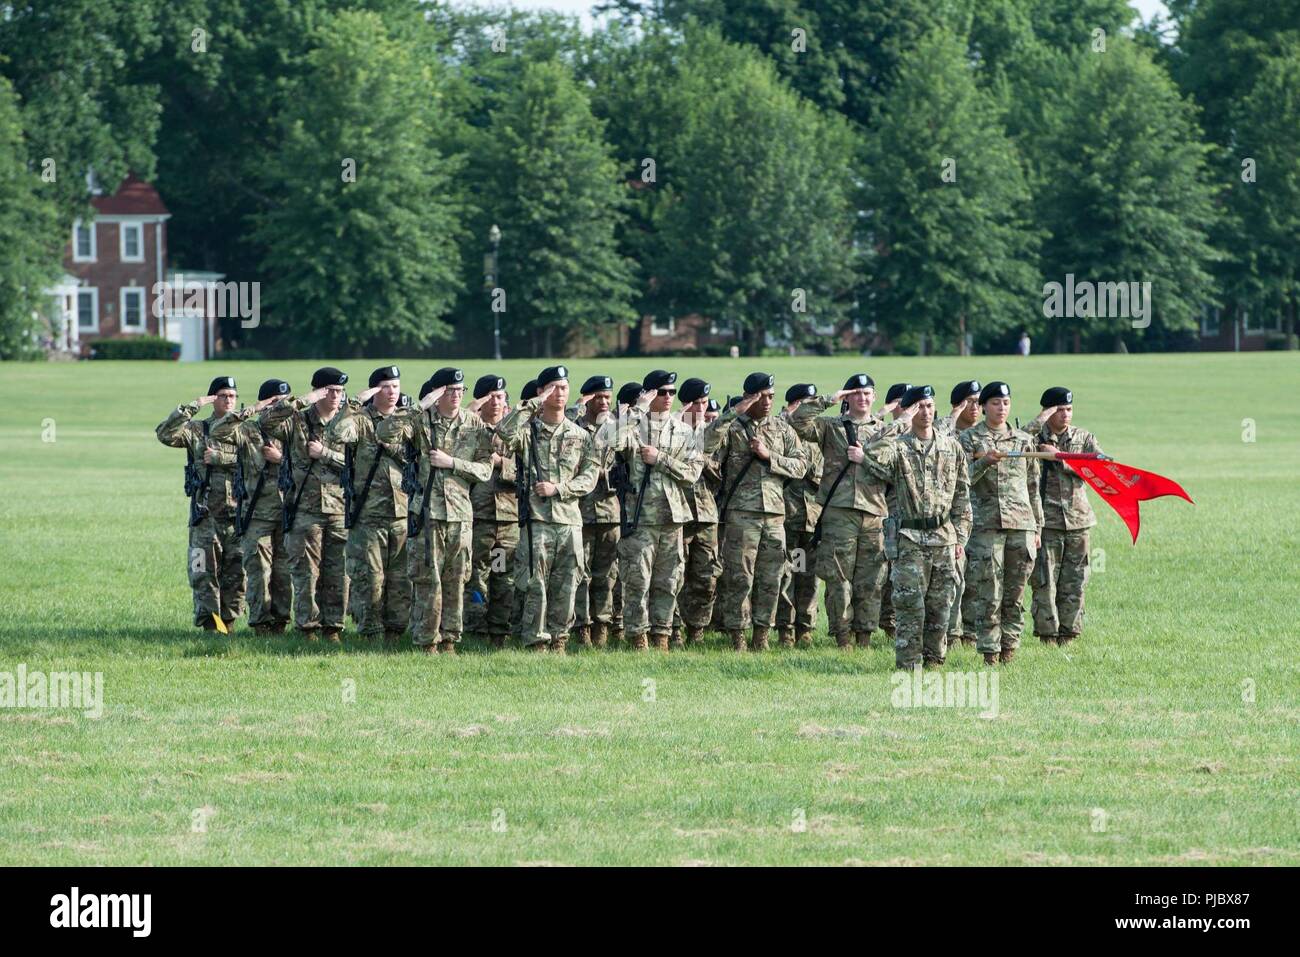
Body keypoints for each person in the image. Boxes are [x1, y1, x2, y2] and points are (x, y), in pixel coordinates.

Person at [791, 374, 910, 649]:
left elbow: (894, 472)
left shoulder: (884, 431)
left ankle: (864, 636)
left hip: (874, 513)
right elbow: (798, 422)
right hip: (839, 513)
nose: (862, 398)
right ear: (849, 397)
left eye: (867, 393)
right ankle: (842, 636)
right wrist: (829, 399)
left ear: (874, 397)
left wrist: (864, 459)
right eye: (856, 393)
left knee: (871, 580)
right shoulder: (831, 427)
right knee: (838, 578)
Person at [861, 386, 971, 669]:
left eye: (930, 406)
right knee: (910, 607)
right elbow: (871, 452)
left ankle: (935, 662)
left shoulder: (951, 446)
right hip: (909, 539)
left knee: (940, 607)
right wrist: (900, 420)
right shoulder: (899, 447)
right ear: (911, 411)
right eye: (919, 407)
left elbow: (962, 498)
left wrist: (960, 536)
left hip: (944, 538)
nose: (926, 412)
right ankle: (909, 665)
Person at [495, 366, 598, 653]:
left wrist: (559, 489)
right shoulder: (528, 433)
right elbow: (504, 432)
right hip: (537, 521)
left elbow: (589, 476)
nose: (560, 393)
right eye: (553, 388)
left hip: (569, 521)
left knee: (567, 582)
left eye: (564, 387)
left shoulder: (580, 435)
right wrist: (532, 405)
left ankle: (560, 639)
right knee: (535, 582)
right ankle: (536, 639)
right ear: (542, 392)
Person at [703, 372, 808, 651]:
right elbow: (706, 444)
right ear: (749, 397)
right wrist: (731, 414)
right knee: (740, 578)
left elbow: (801, 467)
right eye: (761, 396)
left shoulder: (782, 429)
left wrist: (768, 456)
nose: (767, 402)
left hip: (775, 515)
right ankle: (737, 637)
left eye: (771, 396)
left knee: (772, 577)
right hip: (741, 513)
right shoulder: (733, 428)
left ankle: (762, 636)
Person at [598, 370, 701, 651]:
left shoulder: (684, 429)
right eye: (662, 392)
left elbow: (693, 473)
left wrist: (662, 460)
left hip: (673, 517)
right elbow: (608, 441)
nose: (668, 397)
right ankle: (637, 636)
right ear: (648, 394)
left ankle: (662, 635)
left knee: (668, 581)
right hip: (639, 518)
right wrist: (638, 408)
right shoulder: (632, 427)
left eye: (671, 392)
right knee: (637, 580)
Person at [260, 367, 354, 643]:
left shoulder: (347, 422)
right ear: (319, 392)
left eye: (340, 391)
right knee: (305, 573)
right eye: (330, 391)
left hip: (339, 507)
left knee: (338, 573)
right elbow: (265, 422)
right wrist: (303, 399)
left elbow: (355, 463)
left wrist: (326, 454)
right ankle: (308, 628)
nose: (336, 396)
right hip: (304, 511)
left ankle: (333, 627)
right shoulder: (297, 421)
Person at [156, 375, 250, 632]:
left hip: (237, 515)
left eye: (232, 396)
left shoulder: (244, 430)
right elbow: (164, 434)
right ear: (213, 399)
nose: (229, 400)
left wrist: (222, 458)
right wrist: (193, 405)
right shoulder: (197, 430)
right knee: (203, 572)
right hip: (205, 515)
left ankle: (228, 625)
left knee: (235, 574)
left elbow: (257, 459)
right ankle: (211, 624)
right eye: (222, 396)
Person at [959, 381, 1043, 665]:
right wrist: (984, 463)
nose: (1001, 408)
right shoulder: (969, 439)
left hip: (1022, 523)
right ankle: (989, 651)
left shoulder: (1023, 440)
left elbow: (1033, 486)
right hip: (986, 525)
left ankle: (1010, 647)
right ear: (983, 406)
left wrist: (1038, 527)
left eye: (1006, 403)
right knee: (988, 591)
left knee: (1015, 592)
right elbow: (961, 480)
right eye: (995, 403)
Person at [333, 366, 412, 644]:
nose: (392, 392)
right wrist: (353, 403)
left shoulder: (406, 420)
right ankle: (371, 633)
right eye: (386, 387)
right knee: (370, 578)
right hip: (368, 514)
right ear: (375, 390)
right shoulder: (362, 420)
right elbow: (338, 432)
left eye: (396, 386)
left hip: (402, 512)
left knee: (401, 579)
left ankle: (396, 632)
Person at [1027, 387, 1105, 647]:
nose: (1065, 415)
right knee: (1044, 581)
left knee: (1075, 580)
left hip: (1078, 521)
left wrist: (1061, 459)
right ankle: (1048, 635)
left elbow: (1102, 466)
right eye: (1058, 410)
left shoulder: (1083, 438)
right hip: (1045, 521)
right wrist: (1037, 424)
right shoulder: (1031, 438)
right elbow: (1011, 445)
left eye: (1069, 409)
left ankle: (1069, 634)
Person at [233, 378, 294, 635]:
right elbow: (219, 430)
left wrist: (281, 459)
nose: (282, 408)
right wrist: (253, 409)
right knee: (259, 572)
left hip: (289, 512)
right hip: (257, 513)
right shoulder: (247, 431)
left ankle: (280, 622)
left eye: (286, 402)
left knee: (284, 572)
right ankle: (260, 623)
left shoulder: (294, 431)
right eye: (276, 403)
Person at [464, 375, 517, 648]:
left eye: (501, 397)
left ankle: (498, 631)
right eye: (491, 397)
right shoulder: (469, 431)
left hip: (507, 521)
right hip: (478, 518)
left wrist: (500, 463)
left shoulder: (514, 433)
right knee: (475, 575)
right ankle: (475, 631)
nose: (497, 402)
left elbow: (526, 472)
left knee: (502, 575)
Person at [571, 375, 621, 648]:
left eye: (607, 397)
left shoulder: (617, 429)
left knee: (607, 573)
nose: (604, 402)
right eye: (599, 397)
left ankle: (602, 626)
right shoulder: (575, 428)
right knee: (581, 573)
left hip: (611, 512)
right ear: (587, 399)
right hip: (582, 511)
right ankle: (582, 628)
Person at [674, 378, 722, 646]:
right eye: (698, 403)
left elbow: (719, 472)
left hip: (706, 515)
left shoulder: (712, 433)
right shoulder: (671, 431)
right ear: (686, 404)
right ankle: (674, 630)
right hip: (678, 514)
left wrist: (698, 458)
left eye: (705, 402)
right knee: (675, 576)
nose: (703, 408)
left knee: (706, 577)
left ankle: (698, 629)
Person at [776, 383, 823, 647]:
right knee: (787, 575)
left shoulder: (817, 437)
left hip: (812, 519)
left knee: (808, 576)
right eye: (804, 404)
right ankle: (785, 628)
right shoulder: (779, 432)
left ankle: (805, 627)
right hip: (788, 518)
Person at [939, 380, 983, 649]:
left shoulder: (985, 435)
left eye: (979, 402)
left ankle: (972, 632)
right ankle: (951, 633)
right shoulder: (946, 435)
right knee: (954, 577)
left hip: (984, 516)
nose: (976, 408)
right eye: (970, 402)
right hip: (954, 516)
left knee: (979, 579)